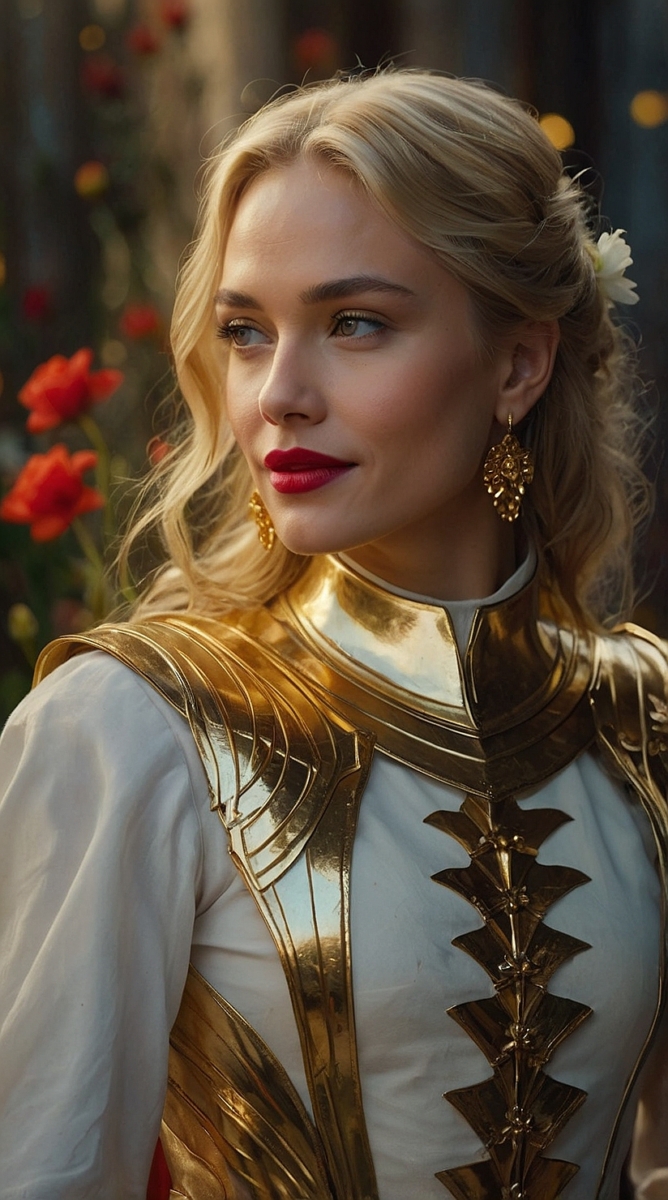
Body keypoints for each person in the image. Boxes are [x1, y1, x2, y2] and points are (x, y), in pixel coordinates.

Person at [0, 68, 667, 1200]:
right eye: (247, 332)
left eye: (354, 323)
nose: (277, 396)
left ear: (517, 363)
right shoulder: (130, 731)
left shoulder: (643, 716)